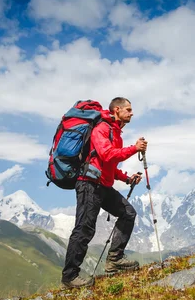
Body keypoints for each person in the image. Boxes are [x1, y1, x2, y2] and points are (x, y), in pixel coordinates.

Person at [61, 97, 148, 289]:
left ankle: (115, 260)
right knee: (84, 229)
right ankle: (69, 277)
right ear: (117, 110)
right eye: (129, 109)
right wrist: (134, 149)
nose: (132, 113)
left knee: (128, 213)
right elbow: (106, 154)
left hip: (103, 186)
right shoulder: (101, 128)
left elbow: (109, 163)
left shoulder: (116, 133)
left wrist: (127, 178)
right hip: (89, 185)